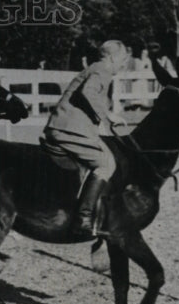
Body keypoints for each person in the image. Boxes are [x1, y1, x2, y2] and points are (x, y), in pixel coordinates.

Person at [42, 38, 130, 237]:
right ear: (112, 57)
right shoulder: (102, 70)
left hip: (67, 126)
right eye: (123, 59)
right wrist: (109, 115)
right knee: (106, 164)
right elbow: (88, 92)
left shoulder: (95, 68)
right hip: (68, 130)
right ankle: (84, 218)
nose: (124, 64)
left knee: (106, 156)